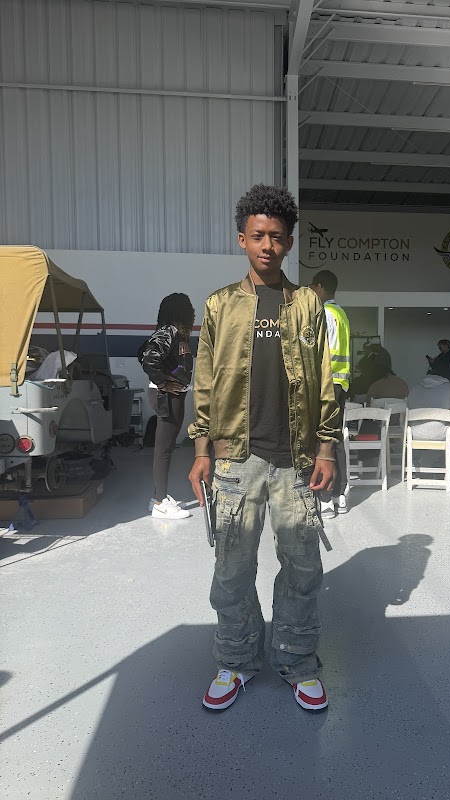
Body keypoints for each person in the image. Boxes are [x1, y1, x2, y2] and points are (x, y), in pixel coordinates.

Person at [187, 184, 340, 713]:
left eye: (276, 236)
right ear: (242, 240)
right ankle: (236, 659)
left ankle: (298, 661)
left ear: (290, 242)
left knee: (302, 568)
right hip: (236, 459)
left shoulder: (308, 304)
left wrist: (327, 449)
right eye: (258, 236)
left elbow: (326, 379)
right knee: (232, 568)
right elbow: (205, 382)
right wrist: (201, 450)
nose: (267, 245)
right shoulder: (220, 305)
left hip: (296, 460)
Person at [140, 293, 195, 520]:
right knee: (163, 450)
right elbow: (148, 358)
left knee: (167, 448)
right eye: (190, 309)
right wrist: (163, 382)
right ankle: (160, 503)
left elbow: (143, 352)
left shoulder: (172, 333)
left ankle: (157, 497)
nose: (193, 313)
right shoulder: (168, 331)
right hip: (166, 395)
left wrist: (168, 377)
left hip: (171, 395)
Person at [310, 269, 351, 519]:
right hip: (341, 383)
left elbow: (320, 351)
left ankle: (325, 500)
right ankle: (339, 495)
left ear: (320, 287)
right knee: (336, 440)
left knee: (322, 441)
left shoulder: (324, 313)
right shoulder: (341, 314)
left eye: (312, 288)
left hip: (327, 384)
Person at [407, 363, 450, 483]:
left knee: (419, 428)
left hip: (414, 434)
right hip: (442, 435)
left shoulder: (414, 388)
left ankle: (412, 468)